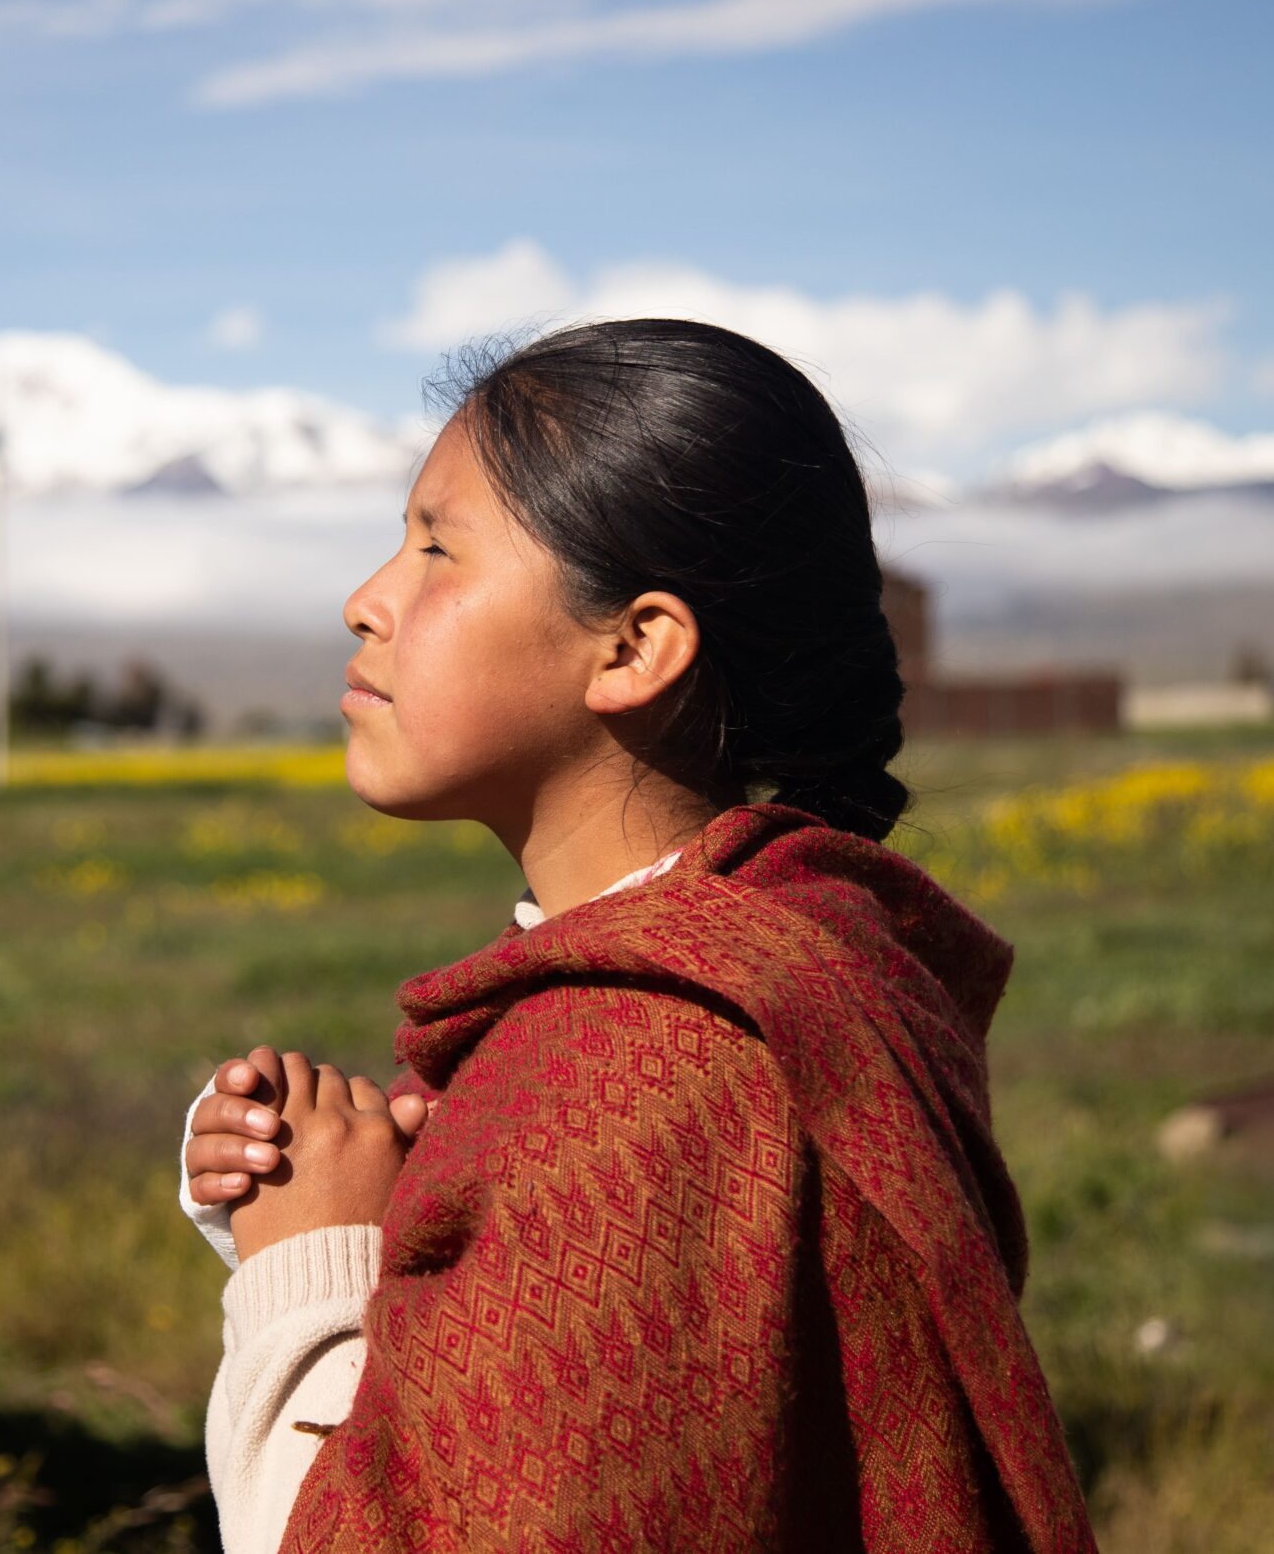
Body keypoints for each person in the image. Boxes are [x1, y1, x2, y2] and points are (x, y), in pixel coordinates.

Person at [178, 319, 1095, 1552]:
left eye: (438, 552)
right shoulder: (794, 947)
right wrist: (358, 1200)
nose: (366, 602)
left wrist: (310, 1269)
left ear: (634, 646)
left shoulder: (641, 1070)